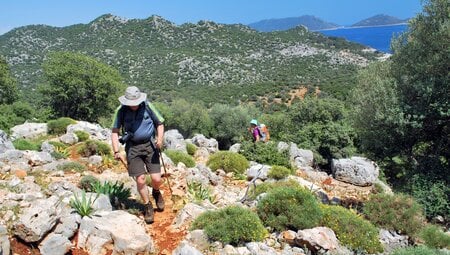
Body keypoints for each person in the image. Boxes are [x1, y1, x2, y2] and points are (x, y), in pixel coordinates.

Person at [111, 86, 165, 224]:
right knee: (140, 179)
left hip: (150, 145)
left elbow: (159, 123)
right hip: (133, 148)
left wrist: (159, 139)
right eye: (131, 103)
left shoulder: (148, 106)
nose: (133, 105)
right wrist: (116, 150)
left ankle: (156, 192)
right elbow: (115, 131)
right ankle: (148, 206)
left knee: (156, 179)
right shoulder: (121, 111)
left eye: (135, 102)